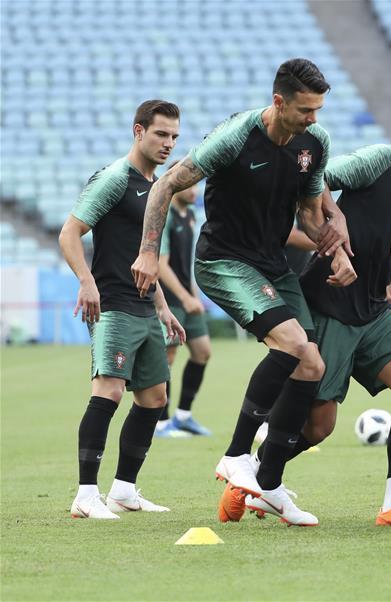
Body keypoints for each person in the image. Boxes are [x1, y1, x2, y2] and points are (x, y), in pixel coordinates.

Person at [131, 58, 355, 527]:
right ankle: (236, 455)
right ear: (279, 102)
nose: (313, 118)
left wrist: (334, 247)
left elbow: (309, 213)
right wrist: (149, 252)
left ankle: (268, 486)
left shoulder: (315, 143)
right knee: (292, 343)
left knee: (312, 363)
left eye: (318, 109)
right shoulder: (235, 137)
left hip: (273, 265)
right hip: (224, 261)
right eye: (306, 109)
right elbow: (165, 185)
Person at [220, 100, 391, 527]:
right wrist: (337, 222)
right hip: (330, 301)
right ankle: (255, 477)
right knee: (319, 426)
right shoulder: (379, 162)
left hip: (376, 309)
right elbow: (317, 179)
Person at [58, 100, 186, 519]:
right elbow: (70, 232)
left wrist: (163, 307)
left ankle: (124, 491)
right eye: (161, 134)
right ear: (138, 131)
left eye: (174, 136)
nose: (168, 143)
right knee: (109, 391)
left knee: (154, 398)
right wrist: (86, 281)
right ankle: (85, 495)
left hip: (146, 308)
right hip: (112, 304)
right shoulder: (114, 178)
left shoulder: (159, 188)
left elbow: (145, 256)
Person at [154, 172, 212, 437]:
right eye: (190, 186)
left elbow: (185, 264)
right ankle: (161, 423)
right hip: (168, 298)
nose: (195, 191)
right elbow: (160, 265)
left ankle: (183, 416)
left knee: (202, 351)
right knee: (167, 357)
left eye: (196, 186)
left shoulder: (189, 215)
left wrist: (193, 294)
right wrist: (185, 298)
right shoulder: (164, 216)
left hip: (186, 297)